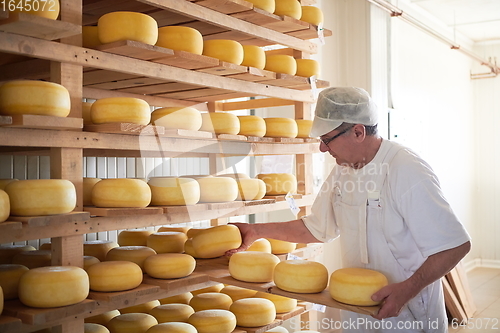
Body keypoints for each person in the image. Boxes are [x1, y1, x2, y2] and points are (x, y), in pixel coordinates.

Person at [227, 87, 471, 333]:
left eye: (326, 139)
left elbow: (454, 246)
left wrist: (407, 289)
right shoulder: (342, 172)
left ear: (357, 131)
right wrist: (255, 229)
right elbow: (316, 228)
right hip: (357, 314)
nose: (322, 149)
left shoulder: (406, 169)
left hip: (408, 315)